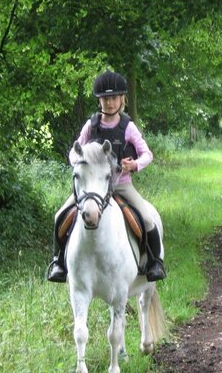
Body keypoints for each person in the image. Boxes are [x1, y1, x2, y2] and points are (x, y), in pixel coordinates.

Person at [47, 71, 166, 282]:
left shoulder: (128, 127)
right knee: (59, 216)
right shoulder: (91, 126)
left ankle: (155, 263)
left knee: (147, 219)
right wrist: (80, 162)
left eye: (114, 98)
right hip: (91, 187)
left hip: (121, 185)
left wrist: (134, 165)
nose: (110, 103)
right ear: (99, 101)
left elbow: (147, 153)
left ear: (122, 100)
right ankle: (59, 262)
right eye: (105, 99)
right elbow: (75, 151)